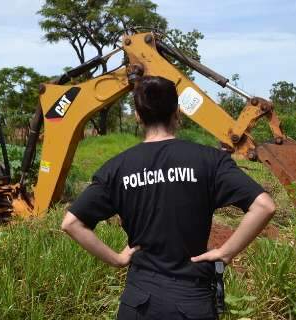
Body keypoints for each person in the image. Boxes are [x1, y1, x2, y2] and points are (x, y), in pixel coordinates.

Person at [61, 76, 276, 319]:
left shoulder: (117, 167)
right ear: (177, 111)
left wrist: (117, 259)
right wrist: (225, 253)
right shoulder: (209, 160)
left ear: (138, 116)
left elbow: (71, 223)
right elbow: (264, 206)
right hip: (192, 300)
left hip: (139, 302)